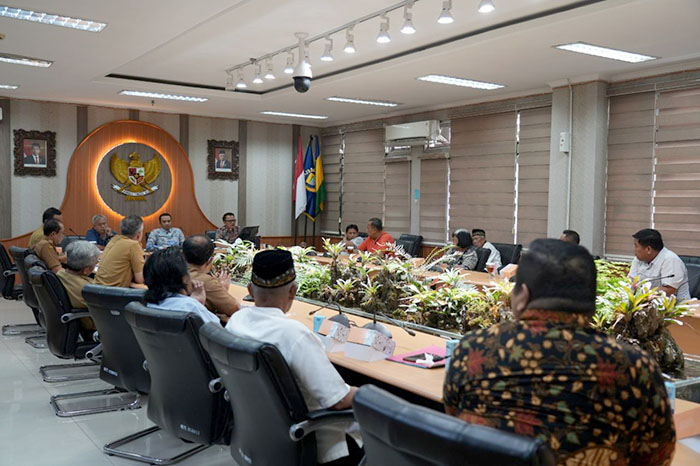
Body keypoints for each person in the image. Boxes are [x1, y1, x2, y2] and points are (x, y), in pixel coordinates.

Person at [444, 239, 675, 465]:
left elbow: (456, 422)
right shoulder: (633, 368)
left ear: (522, 296)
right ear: (592, 304)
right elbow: (657, 456)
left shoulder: (473, 351)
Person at [225, 249, 362, 465]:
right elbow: (338, 400)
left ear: (250, 289)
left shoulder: (236, 321)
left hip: (261, 434)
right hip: (314, 443)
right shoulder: (293, 335)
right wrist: (370, 393)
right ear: (293, 291)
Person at [144, 247, 220, 325]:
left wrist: (195, 302)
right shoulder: (191, 307)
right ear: (184, 279)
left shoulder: (147, 304)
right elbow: (216, 329)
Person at [183, 234, 240, 322]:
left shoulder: (171, 273)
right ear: (210, 260)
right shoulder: (206, 282)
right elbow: (235, 309)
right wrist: (223, 289)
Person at [57, 241, 100, 341]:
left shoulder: (61, 274)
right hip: (96, 329)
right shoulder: (86, 289)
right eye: (95, 263)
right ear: (86, 270)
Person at [629, 228, 690, 300]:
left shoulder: (671, 260)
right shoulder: (639, 259)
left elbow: (669, 290)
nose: (634, 249)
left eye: (636, 246)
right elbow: (631, 281)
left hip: (675, 305)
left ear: (648, 249)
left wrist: (641, 291)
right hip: (645, 303)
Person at [95, 215, 145, 288]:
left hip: (96, 288)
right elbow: (140, 279)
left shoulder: (113, 240)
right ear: (138, 234)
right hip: (114, 291)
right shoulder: (133, 245)